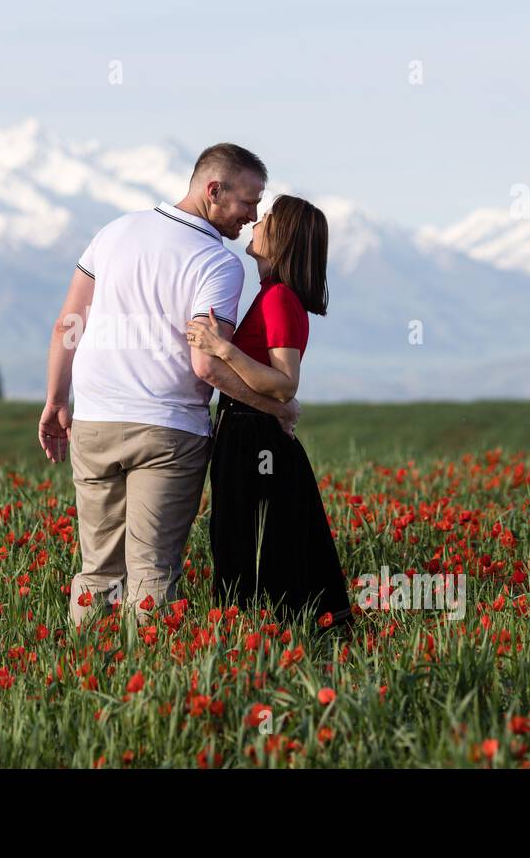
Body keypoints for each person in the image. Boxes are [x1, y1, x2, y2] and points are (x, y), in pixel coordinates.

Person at [38, 143, 300, 628]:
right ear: (213, 190)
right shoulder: (218, 264)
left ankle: (83, 677)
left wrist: (57, 399)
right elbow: (207, 367)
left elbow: (68, 322)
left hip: (93, 423)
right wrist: (275, 406)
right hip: (168, 431)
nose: (253, 216)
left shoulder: (114, 232)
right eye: (248, 202)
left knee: (98, 572)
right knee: (153, 572)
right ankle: (152, 692)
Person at [185, 194, 354, 632]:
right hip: (247, 432)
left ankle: (252, 638)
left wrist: (221, 349)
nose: (257, 221)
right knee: (248, 542)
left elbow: (285, 383)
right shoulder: (272, 295)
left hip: (253, 438)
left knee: (246, 543)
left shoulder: (279, 298)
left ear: (283, 239)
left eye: (269, 218)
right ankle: (262, 637)